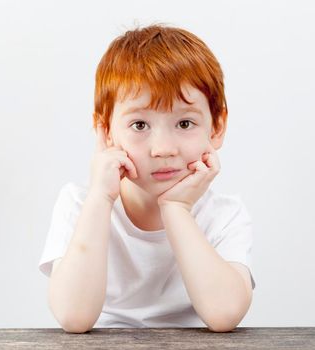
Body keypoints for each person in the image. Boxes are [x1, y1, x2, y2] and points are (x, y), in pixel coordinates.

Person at [39, 24, 256, 333]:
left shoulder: (224, 214)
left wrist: (176, 209)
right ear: (105, 131)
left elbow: (224, 315)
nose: (163, 149)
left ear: (217, 126)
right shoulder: (80, 204)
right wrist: (100, 199)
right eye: (140, 125)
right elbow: (73, 317)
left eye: (184, 123)